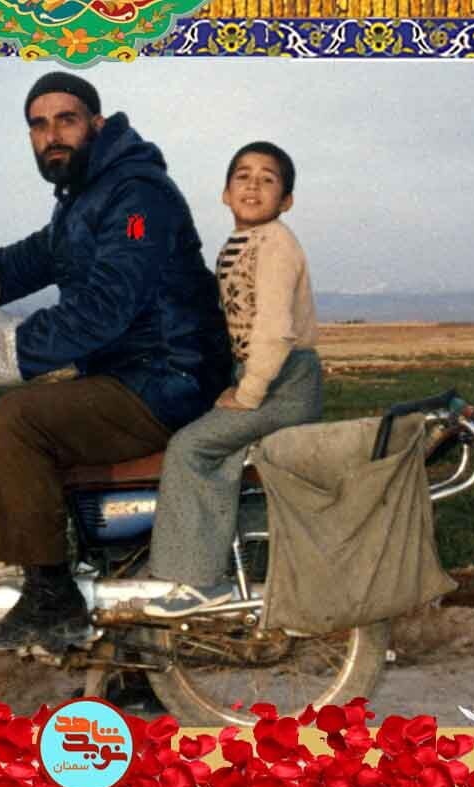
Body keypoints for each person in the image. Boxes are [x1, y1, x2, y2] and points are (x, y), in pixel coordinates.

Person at [0, 73, 233, 650]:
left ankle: (51, 598)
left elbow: (106, 307)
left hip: (168, 376)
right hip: (131, 373)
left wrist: (6, 349)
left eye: (65, 120)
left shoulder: (138, 198)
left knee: (20, 419)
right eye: (38, 125)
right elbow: (24, 262)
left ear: (97, 123)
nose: (52, 135)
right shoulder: (85, 199)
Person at [143, 141, 322, 617]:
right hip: (263, 377)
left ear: (287, 200)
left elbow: (274, 329)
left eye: (268, 179)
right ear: (225, 193)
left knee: (190, 447)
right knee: (203, 436)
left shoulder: (276, 244)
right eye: (242, 176)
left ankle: (199, 581)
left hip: (284, 384)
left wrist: (249, 392)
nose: (253, 185)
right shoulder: (243, 242)